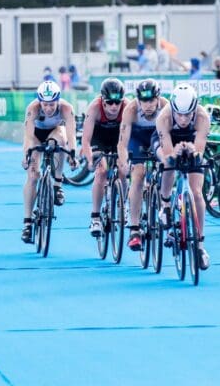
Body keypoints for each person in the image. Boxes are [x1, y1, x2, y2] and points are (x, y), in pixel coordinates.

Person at [152, 83, 212, 269]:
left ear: (195, 108)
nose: (184, 119)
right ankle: (166, 204)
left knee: (197, 193)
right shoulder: (164, 117)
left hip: (192, 141)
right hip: (168, 140)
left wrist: (194, 152)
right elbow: (169, 153)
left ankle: (200, 245)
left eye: (188, 114)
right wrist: (174, 154)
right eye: (179, 114)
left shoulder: (203, 117)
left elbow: (200, 150)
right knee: (169, 164)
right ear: (173, 109)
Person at [21, 81, 77, 243]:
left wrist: (72, 155)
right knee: (33, 175)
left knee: (61, 141)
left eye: (52, 104)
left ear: (58, 101)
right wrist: (26, 155)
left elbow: (72, 135)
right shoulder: (33, 109)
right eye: (45, 105)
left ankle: (58, 184)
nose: (49, 108)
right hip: (36, 136)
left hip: (55, 133)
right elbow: (28, 137)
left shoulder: (66, 108)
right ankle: (27, 222)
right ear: (40, 102)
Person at [117, 79, 168, 251]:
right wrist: (123, 162)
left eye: (151, 100)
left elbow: (171, 137)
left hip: (158, 137)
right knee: (137, 175)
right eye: (143, 101)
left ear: (158, 98)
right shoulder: (131, 110)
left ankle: (165, 217)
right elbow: (122, 143)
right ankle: (135, 229)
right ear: (138, 100)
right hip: (137, 138)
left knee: (166, 171)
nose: (147, 105)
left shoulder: (166, 107)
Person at [80, 78, 128, 237]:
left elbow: (132, 136)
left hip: (118, 139)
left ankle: (123, 206)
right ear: (103, 100)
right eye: (110, 102)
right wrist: (89, 159)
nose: (114, 106)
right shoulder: (94, 108)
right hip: (98, 138)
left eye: (117, 102)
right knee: (101, 171)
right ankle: (95, 217)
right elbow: (86, 141)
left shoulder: (127, 107)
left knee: (123, 169)